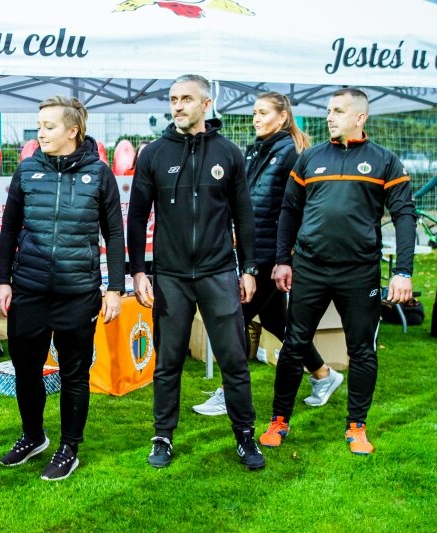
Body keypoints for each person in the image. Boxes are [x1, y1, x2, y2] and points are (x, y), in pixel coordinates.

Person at [259, 88, 416, 454]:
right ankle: (279, 420)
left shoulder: (384, 161)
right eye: (329, 110)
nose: (329, 116)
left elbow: (404, 215)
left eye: (338, 111)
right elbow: (289, 211)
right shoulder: (310, 159)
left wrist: (403, 271)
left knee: (362, 350)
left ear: (360, 117)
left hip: (359, 274)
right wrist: (283, 260)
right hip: (310, 269)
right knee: (294, 346)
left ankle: (356, 426)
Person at [127, 74, 264, 471]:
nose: (178, 106)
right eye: (173, 99)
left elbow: (244, 215)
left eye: (186, 99)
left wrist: (249, 268)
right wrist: (139, 272)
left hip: (218, 272)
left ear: (206, 104)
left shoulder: (229, 153)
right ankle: (163, 436)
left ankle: (245, 435)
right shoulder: (153, 154)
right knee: (167, 363)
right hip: (170, 276)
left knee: (234, 360)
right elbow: (136, 217)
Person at [0, 95, 125, 482]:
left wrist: (115, 288)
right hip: (29, 290)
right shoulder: (27, 170)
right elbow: (8, 229)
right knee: (26, 371)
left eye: (49, 127)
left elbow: (114, 234)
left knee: (74, 374)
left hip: (78, 293)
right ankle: (33, 436)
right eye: (39, 126)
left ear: (73, 131)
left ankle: (70, 447)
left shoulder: (100, 174)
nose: (40, 133)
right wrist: (3, 280)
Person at [192, 92, 343, 417]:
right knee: (277, 321)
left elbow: (298, 207)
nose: (256, 119)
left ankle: (230, 393)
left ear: (282, 116)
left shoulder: (291, 153)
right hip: (253, 248)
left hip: (271, 255)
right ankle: (324, 375)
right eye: (254, 113)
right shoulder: (258, 150)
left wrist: (286, 255)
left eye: (262, 113)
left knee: (235, 319)